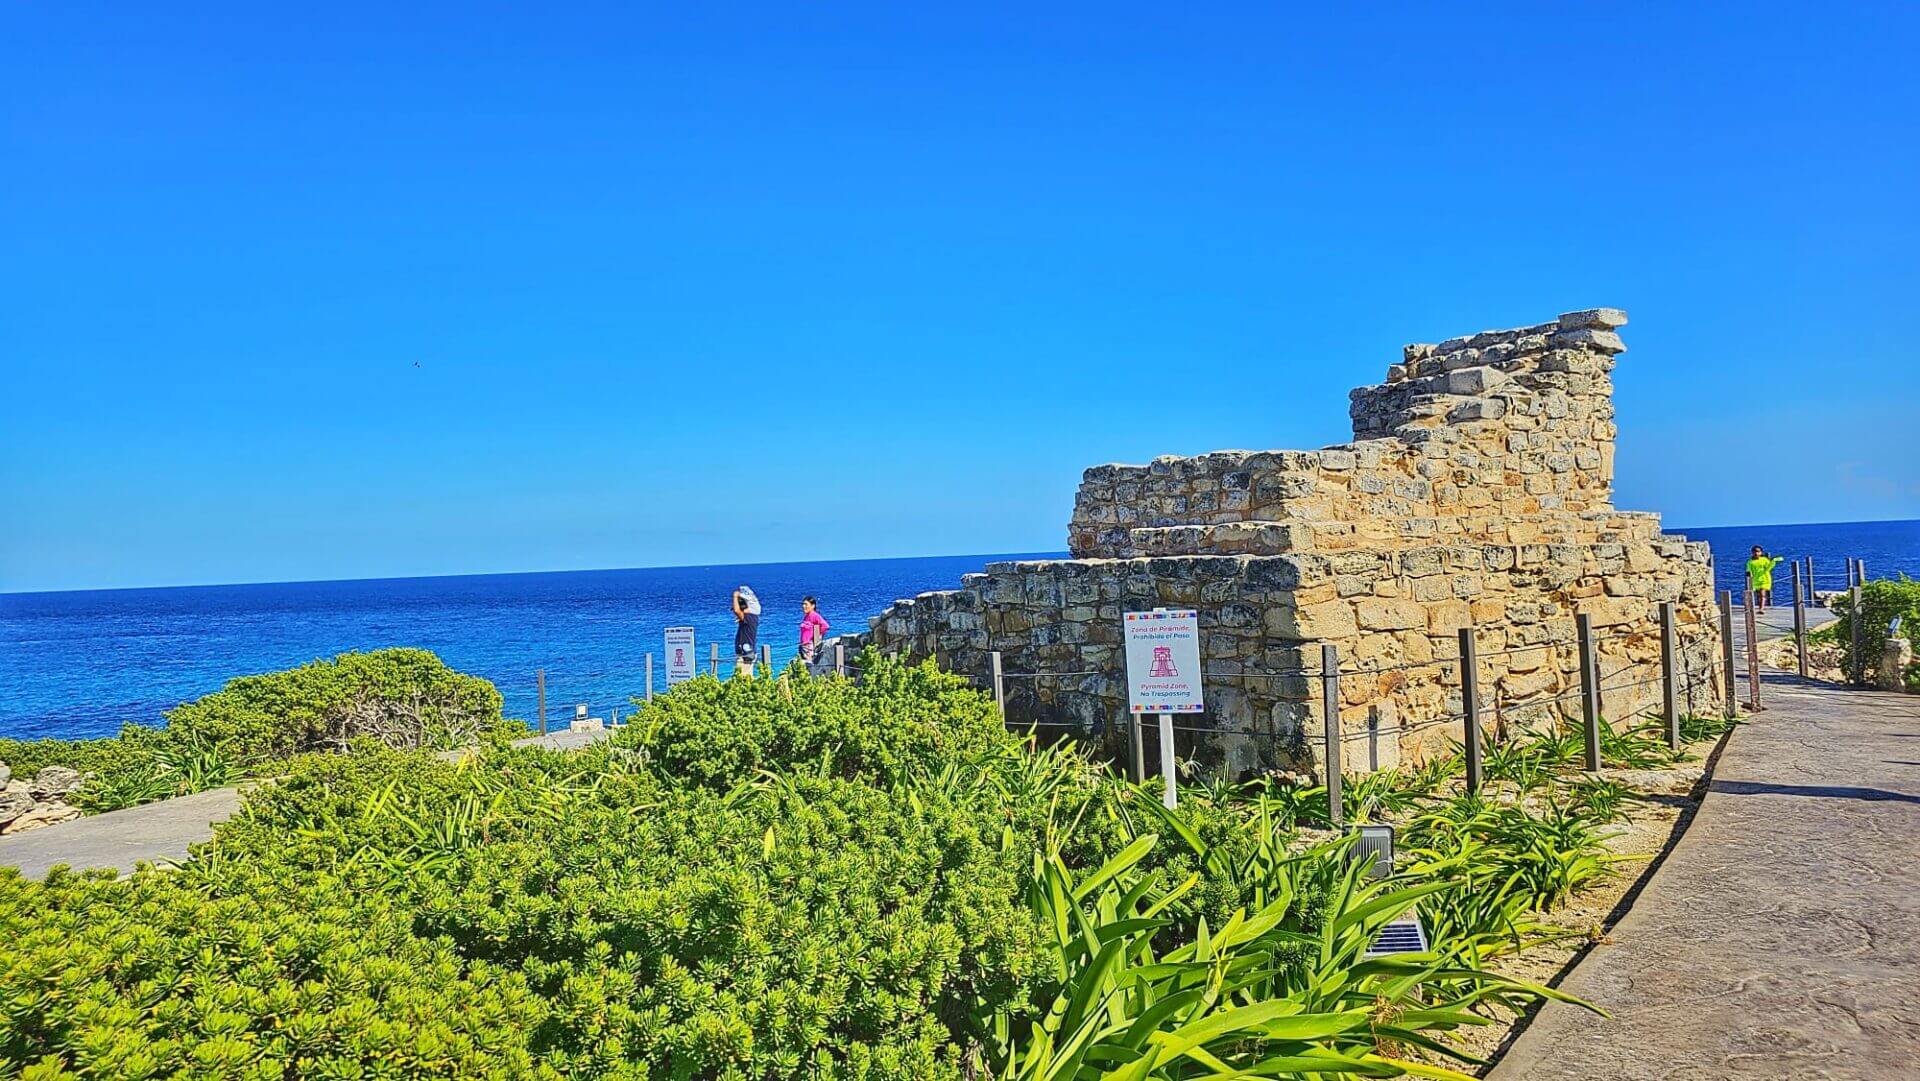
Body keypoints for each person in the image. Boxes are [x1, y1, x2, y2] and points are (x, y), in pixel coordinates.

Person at [732, 585, 761, 676]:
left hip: (746, 654)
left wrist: (735, 596)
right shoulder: (749, 618)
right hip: (745, 652)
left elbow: (737, 611)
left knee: (743, 679)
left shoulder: (750, 617)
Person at [1746, 546, 1784, 613]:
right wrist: (1749, 576)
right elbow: (1748, 571)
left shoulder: (1764, 560)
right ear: (1752, 552)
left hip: (1765, 579)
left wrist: (1774, 561)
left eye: (1758, 551)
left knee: (1762, 594)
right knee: (1758, 595)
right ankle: (1760, 607)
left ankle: (1761, 609)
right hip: (1756, 580)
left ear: (1761, 552)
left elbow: (1769, 567)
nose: (1756, 553)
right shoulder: (1750, 562)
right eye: (1755, 552)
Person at [799, 596, 830, 665]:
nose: (803, 606)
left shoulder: (815, 615)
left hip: (808, 646)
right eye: (803, 604)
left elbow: (825, 626)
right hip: (803, 646)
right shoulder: (806, 616)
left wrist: (818, 635)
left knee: (810, 666)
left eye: (806, 604)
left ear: (813, 606)